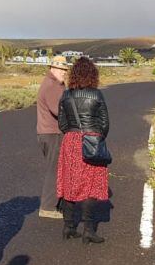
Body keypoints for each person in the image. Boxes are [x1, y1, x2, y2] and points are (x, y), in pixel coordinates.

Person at [57, 56, 110, 244]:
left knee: (69, 184)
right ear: (93, 75)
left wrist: (73, 135)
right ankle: (88, 230)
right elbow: (104, 124)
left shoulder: (66, 95)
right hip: (91, 140)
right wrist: (96, 138)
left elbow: (62, 123)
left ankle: (69, 227)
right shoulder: (96, 95)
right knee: (91, 186)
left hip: (70, 141)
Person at [36, 55, 69, 218]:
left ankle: (56, 203)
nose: (65, 73)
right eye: (63, 70)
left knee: (56, 168)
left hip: (48, 132)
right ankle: (48, 207)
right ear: (54, 69)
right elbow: (59, 111)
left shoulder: (53, 84)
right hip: (52, 133)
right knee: (54, 170)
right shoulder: (52, 86)